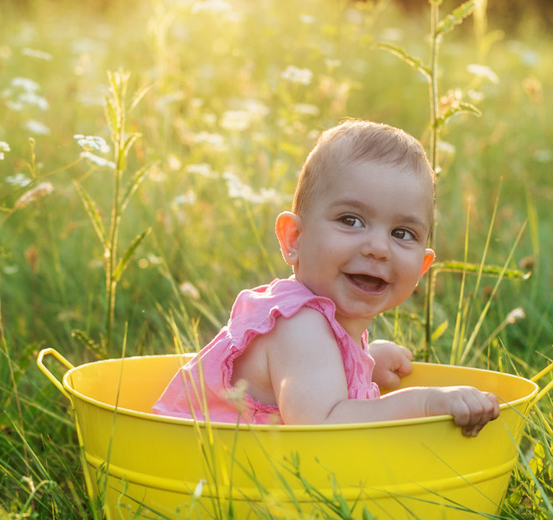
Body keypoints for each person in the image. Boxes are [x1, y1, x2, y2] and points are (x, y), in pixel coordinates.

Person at [153, 120, 500, 437]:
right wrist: (425, 404)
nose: (378, 248)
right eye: (351, 220)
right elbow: (324, 427)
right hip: (196, 473)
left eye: (402, 232)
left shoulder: (322, 331)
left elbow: (314, 379)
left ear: (421, 269)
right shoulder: (299, 326)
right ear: (294, 240)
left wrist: (365, 364)